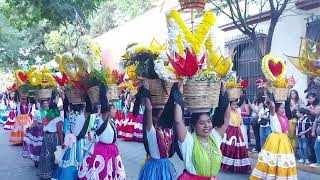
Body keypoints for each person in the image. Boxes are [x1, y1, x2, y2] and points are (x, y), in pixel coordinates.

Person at [174, 81, 229, 179]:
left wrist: (224, 94)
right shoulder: (189, 141)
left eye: (208, 121)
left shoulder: (214, 138)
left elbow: (226, 120)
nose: (207, 125)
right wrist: (179, 94)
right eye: (201, 123)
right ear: (194, 126)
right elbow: (178, 121)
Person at [78, 85, 126, 180]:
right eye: (114, 109)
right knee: (103, 172)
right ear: (108, 110)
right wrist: (103, 93)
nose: (116, 111)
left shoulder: (111, 122)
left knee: (111, 171)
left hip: (112, 150)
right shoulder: (102, 120)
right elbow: (104, 109)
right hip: (103, 151)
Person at [250, 92, 297, 180]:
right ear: (277, 109)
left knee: (282, 160)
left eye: (283, 108)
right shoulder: (273, 115)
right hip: (274, 140)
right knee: (273, 158)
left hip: (284, 140)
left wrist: (286, 94)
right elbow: (272, 105)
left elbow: (288, 106)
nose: (283, 110)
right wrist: (269, 91)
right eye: (281, 108)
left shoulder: (285, 117)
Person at [138, 81, 177, 180]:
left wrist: (177, 85)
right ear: (155, 117)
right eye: (161, 111)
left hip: (166, 165)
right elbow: (149, 109)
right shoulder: (151, 131)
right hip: (154, 168)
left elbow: (173, 110)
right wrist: (146, 90)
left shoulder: (167, 130)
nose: (164, 112)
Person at [53, 99, 90, 180]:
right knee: (80, 160)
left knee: (71, 160)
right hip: (81, 141)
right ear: (82, 106)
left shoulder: (71, 114)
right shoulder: (82, 115)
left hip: (73, 142)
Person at [220, 100, 251, 173]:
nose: (235, 106)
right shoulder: (228, 112)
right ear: (230, 105)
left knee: (240, 148)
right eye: (233, 104)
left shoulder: (238, 111)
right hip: (230, 131)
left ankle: (239, 166)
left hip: (237, 131)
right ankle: (228, 165)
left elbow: (243, 101)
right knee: (230, 148)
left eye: (236, 104)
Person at [38, 102, 64, 180]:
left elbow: (43, 126)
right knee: (54, 155)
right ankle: (53, 174)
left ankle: (45, 173)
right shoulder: (58, 118)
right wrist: (62, 143)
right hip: (54, 137)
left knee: (45, 155)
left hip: (46, 137)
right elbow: (59, 132)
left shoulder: (46, 116)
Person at [22, 99, 49, 167]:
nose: (45, 105)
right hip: (38, 131)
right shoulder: (37, 112)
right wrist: (29, 128)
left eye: (47, 103)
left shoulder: (49, 112)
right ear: (41, 105)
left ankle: (44, 160)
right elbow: (34, 122)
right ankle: (36, 160)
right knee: (37, 146)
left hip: (46, 130)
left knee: (44, 146)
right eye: (44, 103)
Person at [285, 89, 305, 154]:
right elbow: (286, 110)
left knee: (294, 137)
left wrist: (296, 108)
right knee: (288, 136)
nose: (292, 95)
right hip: (288, 120)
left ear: (296, 94)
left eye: (294, 93)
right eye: (291, 93)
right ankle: (289, 152)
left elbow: (303, 109)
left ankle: (294, 152)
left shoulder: (299, 101)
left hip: (296, 121)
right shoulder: (287, 101)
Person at [305, 93, 320, 164]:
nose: (309, 99)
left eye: (310, 98)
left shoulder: (317, 105)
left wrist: (309, 109)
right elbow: (316, 120)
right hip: (315, 130)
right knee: (314, 146)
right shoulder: (310, 105)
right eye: (308, 98)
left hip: (316, 130)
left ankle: (315, 160)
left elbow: (315, 113)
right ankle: (315, 160)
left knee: (315, 145)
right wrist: (313, 130)